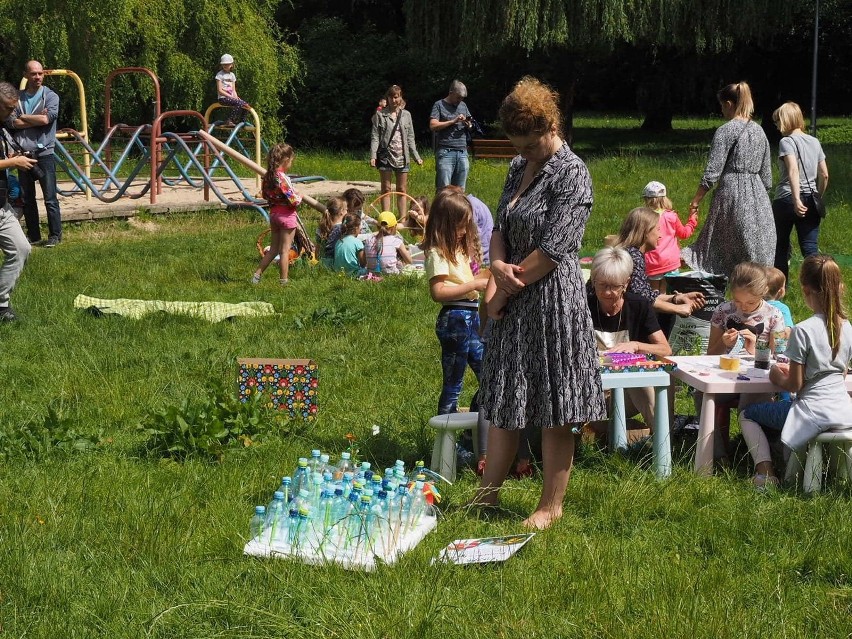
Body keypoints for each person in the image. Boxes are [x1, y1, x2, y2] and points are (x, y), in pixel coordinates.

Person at [474, 76, 607, 530]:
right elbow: (498, 227)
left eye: (530, 145)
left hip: (552, 301)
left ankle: (551, 505)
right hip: (513, 295)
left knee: (555, 405)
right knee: (508, 397)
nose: (523, 153)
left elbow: (556, 247)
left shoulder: (573, 173)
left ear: (551, 126)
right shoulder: (517, 167)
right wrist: (495, 267)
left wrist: (506, 285)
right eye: (518, 145)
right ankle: (486, 495)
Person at [738, 255, 852, 489]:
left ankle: (766, 473)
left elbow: (794, 385)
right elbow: (839, 374)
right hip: (842, 410)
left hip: (810, 413)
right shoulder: (846, 326)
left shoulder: (803, 330)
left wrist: (775, 375)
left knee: (747, 414)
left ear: (805, 289)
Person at [682, 82, 774, 276]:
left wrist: (696, 200)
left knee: (718, 248)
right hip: (758, 197)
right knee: (755, 250)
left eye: (722, 105)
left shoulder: (725, 131)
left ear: (730, 104)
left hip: (731, 194)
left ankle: (720, 292)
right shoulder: (760, 131)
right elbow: (767, 176)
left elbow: (712, 172)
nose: (722, 110)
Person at [704, 262, 786, 461]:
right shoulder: (724, 311)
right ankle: (717, 455)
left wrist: (755, 348)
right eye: (737, 301)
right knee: (702, 394)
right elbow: (709, 354)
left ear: (763, 293)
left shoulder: (773, 315)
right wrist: (724, 344)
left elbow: (780, 358)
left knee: (749, 402)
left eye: (749, 303)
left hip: (759, 380)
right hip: (725, 376)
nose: (741, 308)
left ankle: (757, 455)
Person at [586, 247, 672, 437]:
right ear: (593, 281)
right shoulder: (583, 305)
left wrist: (636, 345)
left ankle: (663, 445)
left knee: (639, 381)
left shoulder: (639, 305)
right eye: (602, 285)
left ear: (626, 283)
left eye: (614, 286)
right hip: (588, 394)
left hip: (625, 393)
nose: (608, 292)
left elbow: (665, 349)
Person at [423, 188, 489, 415]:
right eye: (460, 226)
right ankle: (448, 440)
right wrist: (473, 285)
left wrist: (488, 277)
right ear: (446, 224)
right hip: (455, 318)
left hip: (472, 317)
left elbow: (468, 281)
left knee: (490, 374)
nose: (464, 231)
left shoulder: (459, 251)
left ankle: (474, 428)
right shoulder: (437, 252)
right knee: (454, 382)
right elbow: (438, 292)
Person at [771, 101, 829, 283]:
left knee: (780, 246)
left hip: (787, 199)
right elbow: (825, 175)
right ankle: (820, 286)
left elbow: (793, 170)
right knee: (810, 248)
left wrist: (796, 199)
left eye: (777, 121)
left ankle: (779, 289)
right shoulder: (814, 141)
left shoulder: (786, 141)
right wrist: (816, 195)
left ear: (785, 120)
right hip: (811, 199)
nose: (777, 125)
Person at [7, 60, 62, 247]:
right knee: (28, 197)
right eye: (33, 73)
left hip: (44, 152)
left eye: (40, 73)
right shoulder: (17, 98)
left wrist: (24, 118)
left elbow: (47, 119)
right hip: (24, 154)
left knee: (50, 197)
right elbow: (12, 123)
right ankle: (34, 235)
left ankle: (55, 235)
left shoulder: (51, 96)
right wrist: (35, 119)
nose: (37, 77)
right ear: (26, 75)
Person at [615, 207, 705, 318]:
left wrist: (676, 298)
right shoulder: (633, 258)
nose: (660, 235)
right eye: (658, 229)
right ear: (646, 232)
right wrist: (677, 308)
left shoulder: (632, 253)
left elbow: (646, 293)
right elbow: (641, 298)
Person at [0, 82, 37, 321]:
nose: (11, 113)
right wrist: (13, 163)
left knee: (21, 248)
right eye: (7, 108)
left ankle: (1, 306)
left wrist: (13, 157)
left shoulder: (2, 129)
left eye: (14, 108)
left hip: (2, 207)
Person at [370, 85, 422, 220]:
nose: (394, 100)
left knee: (402, 190)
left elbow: (411, 137)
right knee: (386, 189)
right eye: (391, 97)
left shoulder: (406, 115)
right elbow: (375, 136)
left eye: (397, 96)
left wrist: (416, 156)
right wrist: (373, 155)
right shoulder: (380, 115)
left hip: (402, 156)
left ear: (400, 97)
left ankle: (403, 219)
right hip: (385, 156)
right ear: (387, 98)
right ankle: (386, 219)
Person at [252, 143, 301, 285]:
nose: (291, 163)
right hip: (287, 217)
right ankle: (283, 281)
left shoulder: (267, 177)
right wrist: (300, 196)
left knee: (273, 249)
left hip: (273, 215)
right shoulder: (282, 178)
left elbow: (266, 195)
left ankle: (256, 276)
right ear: (286, 160)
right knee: (285, 250)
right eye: (291, 161)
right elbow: (294, 201)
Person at [641, 180, 697, 293]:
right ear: (665, 198)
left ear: (646, 200)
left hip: (652, 263)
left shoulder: (643, 218)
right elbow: (684, 234)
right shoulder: (671, 216)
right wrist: (692, 221)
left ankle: (655, 310)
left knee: (653, 293)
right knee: (667, 292)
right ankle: (667, 310)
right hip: (671, 262)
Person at [430, 80, 473, 190]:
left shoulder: (463, 105)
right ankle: (441, 208)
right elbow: (433, 125)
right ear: (451, 93)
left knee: (460, 190)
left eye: (462, 98)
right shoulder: (439, 105)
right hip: (445, 152)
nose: (460, 100)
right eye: (458, 97)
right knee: (444, 190)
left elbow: (470, 124)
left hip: (462, 152)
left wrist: (467, 123)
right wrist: (452, 122)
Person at [215, 54, 250, 125]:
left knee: (246, 105)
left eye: (227, 64)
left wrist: (236, 97)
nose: (225, 65)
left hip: (231, 97)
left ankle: (242, 122)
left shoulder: (232, 75)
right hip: (223, 98)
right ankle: (230, 120)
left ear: (231, 65)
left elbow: (233, 90)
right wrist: (230, 97)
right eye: (224, 64)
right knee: (239, 103)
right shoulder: (219, 75)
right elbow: (220, 90)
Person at [316, 196, 348, 268]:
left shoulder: (321, 227)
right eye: (346, 210)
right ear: (341, 212)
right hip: (336, 263)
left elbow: (317, 248)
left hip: (322, 263)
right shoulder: (342, 228)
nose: (347, 212)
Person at [467, 193, 494, 265]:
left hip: (481, 259)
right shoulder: (473, 201)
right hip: (487, 254)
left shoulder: (470, 206)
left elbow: (470, 239)